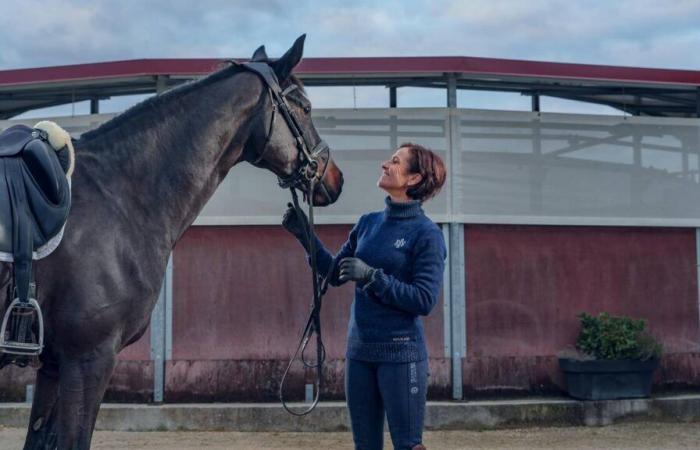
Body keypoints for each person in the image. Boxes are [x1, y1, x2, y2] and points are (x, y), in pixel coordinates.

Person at [283, 143, 447, 450]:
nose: (385, 164)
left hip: (401, 357)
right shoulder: (368, 224)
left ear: (413, 179)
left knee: (408, 445)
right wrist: (306, 236)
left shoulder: (427, 235)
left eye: (396, 162)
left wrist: (373, 277)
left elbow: (424, 300)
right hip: (359, 354)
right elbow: (333, 274)